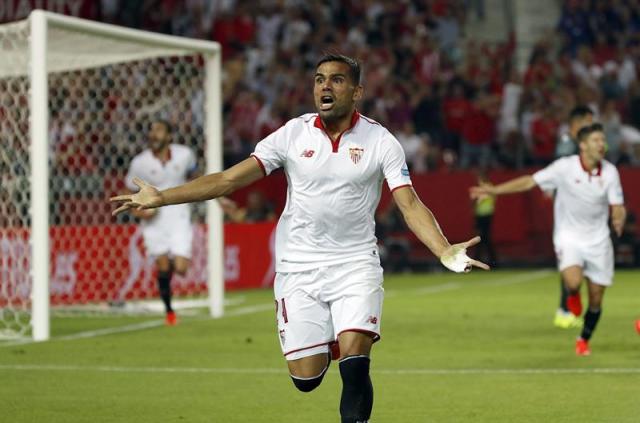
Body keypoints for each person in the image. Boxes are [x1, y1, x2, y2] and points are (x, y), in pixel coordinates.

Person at [112, 54, 488, 422]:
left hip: (355, 264)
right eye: (319, 78)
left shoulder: (381, 141)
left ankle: (349, 339)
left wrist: (443, 250)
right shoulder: (292, 134)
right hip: (298, 269)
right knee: (305, 378)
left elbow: (409, 204)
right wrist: (163, 196)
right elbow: (228, 180)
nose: (325, 85)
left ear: (356, 92)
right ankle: (328, 340)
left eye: (337, 79)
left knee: (355, 365)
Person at [471, 123, 626, 356]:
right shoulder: (564, 168)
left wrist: (618, 217)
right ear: (582, 145)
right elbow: (529, 181)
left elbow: (618, 206)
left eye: (602, 140)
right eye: (596, 140)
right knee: (573, 282)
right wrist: (496, 191)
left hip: (599, 240)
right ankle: (573, 295)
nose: (601, 145)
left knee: (596, 298)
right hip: (569, 237)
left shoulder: (611, 172)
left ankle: (583, 339)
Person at [123, 119, 198, 326]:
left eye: (158, 131)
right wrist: (140, 213)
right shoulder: (140, 162)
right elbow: (129, 191)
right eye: (151, 131)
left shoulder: (184, 155)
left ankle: (168, 277)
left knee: (181, 268)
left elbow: (195, 176)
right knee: (163, 266)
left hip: (179, 216)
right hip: (154, 221)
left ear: (169, 136)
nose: (154, 135)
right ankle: (169, 311)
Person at [553, 105, 594, 329]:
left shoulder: (581, 144)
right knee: (572, 262)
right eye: (588, 122)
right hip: (569, 213)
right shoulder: (567, 144)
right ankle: (565, 309)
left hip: (582, 211)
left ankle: (570, 307)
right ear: (579, 122)